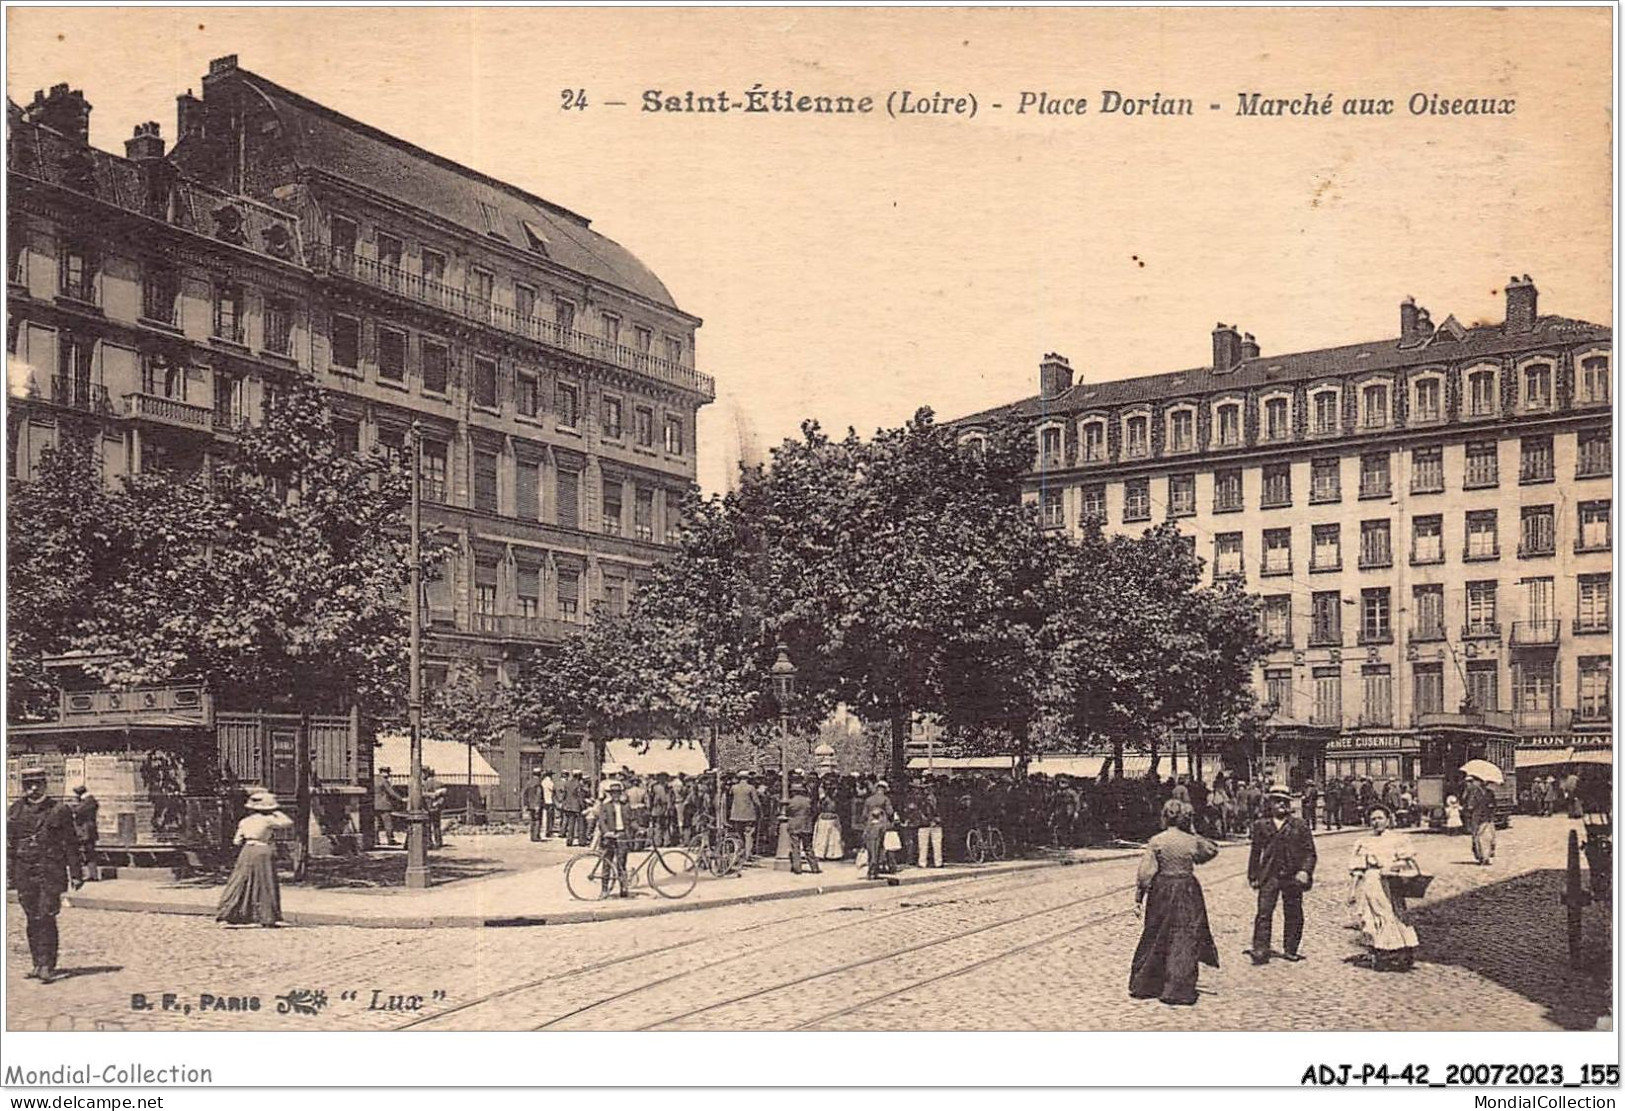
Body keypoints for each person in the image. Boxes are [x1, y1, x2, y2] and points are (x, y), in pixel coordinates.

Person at [1130, 799, 1220, 1006]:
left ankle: (1146, 984)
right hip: (1187, 889)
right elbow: (1211, 850)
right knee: (1184, 935)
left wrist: (1138, 898)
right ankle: (1178, 988)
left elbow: (1146, 873)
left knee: (1155, 933)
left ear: (1164, 816)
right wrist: (1193, 831)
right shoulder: (1191, 841)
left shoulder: (1156, 841)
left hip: (1161, 890)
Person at [8, 766, 85, 981]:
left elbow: (70, 843)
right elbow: (9, 847)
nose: (33, 789)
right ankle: (36, 963)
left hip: (50, 871)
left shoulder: (59, 810)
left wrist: (76, 873)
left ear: (45, 785)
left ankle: (47, 965)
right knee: (32, 917)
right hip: (24, 871)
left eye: (38, 784)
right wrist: (8, 874)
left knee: (46, 916)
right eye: (28, 785)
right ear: (23, 786)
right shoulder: (14, 811)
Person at [1246, 787, 1317, 965]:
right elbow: (1255, 853)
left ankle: (1291, 949)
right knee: (1264, 912)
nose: (1281, 804)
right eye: (1277, 800)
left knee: (1293, 912)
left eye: (1285, 801)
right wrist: (1253, 876)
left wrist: (1304, 871)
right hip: (1269, 875)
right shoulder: (1261, 825)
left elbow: (1310, 852)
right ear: (1270, 803)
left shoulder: (1300, 825)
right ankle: (1261, 949)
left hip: (1293, 876)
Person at [1346, 805, 1420, 971]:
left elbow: (1407, 862)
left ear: (1388, 820)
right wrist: (1352, 891)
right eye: (1373, 819)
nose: (1376, 822)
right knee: (1373, 916)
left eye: (1380, 818)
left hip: (1390, 882)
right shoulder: (1363, 842)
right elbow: (1357, 870)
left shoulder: (1397, 839)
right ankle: (1380, 952)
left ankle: (1403, 951)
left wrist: (1392, 866)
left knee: (1394, 914)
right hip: (1371, 884)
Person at [217, 790, 294, 927]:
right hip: (263, 850)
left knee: (241, 879)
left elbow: (236, 841)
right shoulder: (269, 820)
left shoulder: (245, 821)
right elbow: (287, 822)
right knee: (265, 881)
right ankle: (266, 915)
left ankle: (230, 912)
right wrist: (276, 811)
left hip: (247, 850)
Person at [596, 779, 633, 897]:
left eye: (618, 793)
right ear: (610, 794)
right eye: (613, 793)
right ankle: (604, 889)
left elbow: (631, 821)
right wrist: (607, 833)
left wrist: (640, 829)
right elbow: (601, 822)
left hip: (622, 836)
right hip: (610, 837)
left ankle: (623, 888)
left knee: (622, 863)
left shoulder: (626, 806)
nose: (616, 795)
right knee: (607, 863)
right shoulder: (605, 806)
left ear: (620, 793)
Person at [863, 780, 897, 880]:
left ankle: (871, 870)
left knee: (871, 849)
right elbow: (890, 812)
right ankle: (876, 870)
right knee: (881, 849)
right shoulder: (885, 799)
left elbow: (864, 815)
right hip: (882, 826)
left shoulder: (868, 800)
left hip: (870, 827)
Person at [785, 782, 820, 874]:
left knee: (795, 847)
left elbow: (787, 812)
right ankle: (814, 867)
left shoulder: (790, 802)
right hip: (806, 825)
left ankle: (797, 868)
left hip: (794, 825)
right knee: (808, 847)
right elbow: (814, 811)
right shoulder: (808, 801)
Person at [1463, 775, 1496, 865]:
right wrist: (1470, 807)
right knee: (1477, 837)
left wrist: (1491, 807)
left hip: (1487, 817)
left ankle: (1487, 857)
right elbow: (1469, 804)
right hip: (1476, 817)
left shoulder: (1490, 793)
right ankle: (1480, 856)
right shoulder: (1474, 793)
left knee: (1488, 838)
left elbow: (1494, 804)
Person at [69, 785, 100, 881]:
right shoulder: (88, 801)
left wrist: (72, 808)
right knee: (87, 852)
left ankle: (93, 875)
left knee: (89, 852)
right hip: (86, 830)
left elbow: (78, 810)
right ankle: (91, 874)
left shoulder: (88, 802)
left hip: (87, 831)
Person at [728, 774, 759, 861]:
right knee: (749, 835)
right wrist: (760, 810)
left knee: (739, 834)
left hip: (736, 815)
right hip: (748, 815)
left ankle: (740, 852)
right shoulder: (751, 788)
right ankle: (747, 854)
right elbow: (756, 801)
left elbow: (729, 798)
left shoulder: (734, 788)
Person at [813, 781, 845, 861]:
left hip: (833, 818)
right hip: (825, 818)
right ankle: (820, 853)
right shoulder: (823, 798)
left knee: (834, 838)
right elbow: (820, 807)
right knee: (823, 837)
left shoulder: (836, 798)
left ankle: (832, 854)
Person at [374, 768, 405, 847]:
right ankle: (390, 840)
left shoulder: (374, 779)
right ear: (383, 772)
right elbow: (391, 792)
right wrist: (401, 799)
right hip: (384, 805)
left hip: (374, 804)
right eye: (387, 773)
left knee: (376, 823)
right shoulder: (384, 781)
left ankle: (376, 840)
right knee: (388, 823)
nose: (389, 774)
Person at [916, 785, 944, 867]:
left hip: (930, 824)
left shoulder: (921, 801)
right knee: (927, 844)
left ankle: (927, 862)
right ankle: (933, 862)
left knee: (929, 844)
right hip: (927, 824)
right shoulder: (922, 801)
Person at [523, 770, 547, 842]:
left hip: (530, 805)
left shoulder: (529, 783)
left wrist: (526, 804)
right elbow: (538, 795)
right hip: (537, 805)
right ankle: (536, 836)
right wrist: (538, 805)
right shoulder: (538, 783)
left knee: (532, 820)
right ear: (539, 774)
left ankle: (532, 836)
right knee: (537, 821)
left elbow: (525, 794)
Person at [540, 769, 556, 838]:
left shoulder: (542, 782)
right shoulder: (549, 782)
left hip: (544, 800)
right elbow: (553, 789)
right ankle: (549, 831)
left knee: (545, 817)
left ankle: (545, 830)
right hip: (549, 800)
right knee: (550, 818)